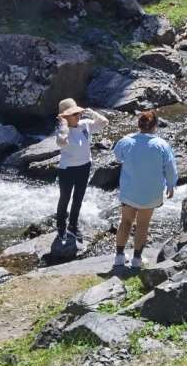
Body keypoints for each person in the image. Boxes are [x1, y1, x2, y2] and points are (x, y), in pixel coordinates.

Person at [111, 110, 178, 268]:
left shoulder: (126, 141)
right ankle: (136, 259)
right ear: (155, 126)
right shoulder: (162, 145)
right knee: (143, 225)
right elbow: (170, 168)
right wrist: (170, 185)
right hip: (151, 192)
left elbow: (118, 156)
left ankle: (119, 256)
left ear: (138, 125)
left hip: (129, 190)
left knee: (125, 222)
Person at [55, 98, 108, 243]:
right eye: (74, 114)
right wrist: (64, 124)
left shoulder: (85, 124)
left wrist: (91, 113)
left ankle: (73, 225)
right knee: (65, 199)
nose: (78, 116)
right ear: (65, 117)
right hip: (67, 169)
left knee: (78, 198)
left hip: (85, 166)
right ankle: (60, 226)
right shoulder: (62, 130)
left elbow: (104, 122)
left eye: (78, 113)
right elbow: (61, 141)